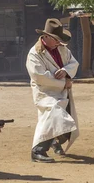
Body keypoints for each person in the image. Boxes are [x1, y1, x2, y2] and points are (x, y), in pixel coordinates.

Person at [26, 18, 79, 163]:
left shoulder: (62, 49)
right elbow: (40, 77)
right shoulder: (34, 54)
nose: (58, 42)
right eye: (56, 39)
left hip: (63, 91)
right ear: (46, 37)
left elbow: (74, 63)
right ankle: (37, 151)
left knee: (68, 125)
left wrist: (65, 70)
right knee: (55, 115)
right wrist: (63, 82)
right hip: (45, 93)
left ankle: (55, 141)